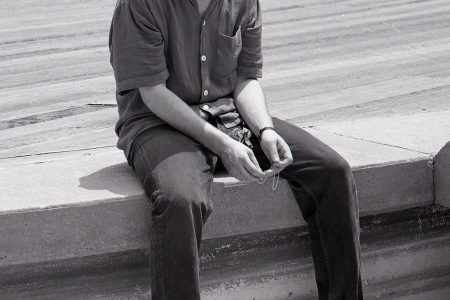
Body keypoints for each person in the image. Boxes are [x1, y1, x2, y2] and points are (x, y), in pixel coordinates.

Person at [109, 0, 363, 299]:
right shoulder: (139, 5)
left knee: (331, 170)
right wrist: (225, 146)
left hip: (228, 113)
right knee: (181, 200)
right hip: (158, 123)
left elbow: (246, 79)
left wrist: (264, 130)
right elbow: (153, 94)